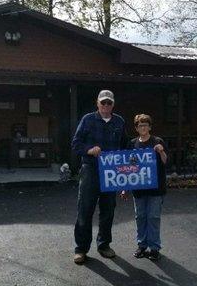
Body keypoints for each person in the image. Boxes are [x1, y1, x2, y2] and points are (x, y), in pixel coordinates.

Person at [72, 89, 127, 264]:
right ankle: (81, 249)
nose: (105, 105)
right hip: (90, 170)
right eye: (102, 102)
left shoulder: (119, 121)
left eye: (108, 103)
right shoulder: (88, 119)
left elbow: (125, 147)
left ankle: (103, 245)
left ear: (113, 104)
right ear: (97, 103)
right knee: (85, 210)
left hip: (111, 173)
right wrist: (89, 150)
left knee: (108, 210)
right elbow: (76, 143)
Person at [124, 113, 167, 261]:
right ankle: (142, 245)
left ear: (150, 126)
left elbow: (166, 162)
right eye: (140, 125)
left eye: (145, 125)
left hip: (156, 189)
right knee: (140, 217)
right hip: (138, 189)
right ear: (136, 128)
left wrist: (161, 151)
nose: (143, 127)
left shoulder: (157, 141)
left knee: (153, 217)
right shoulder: (132, 144)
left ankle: (154, 248)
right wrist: (125, 187)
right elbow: (129, 168)